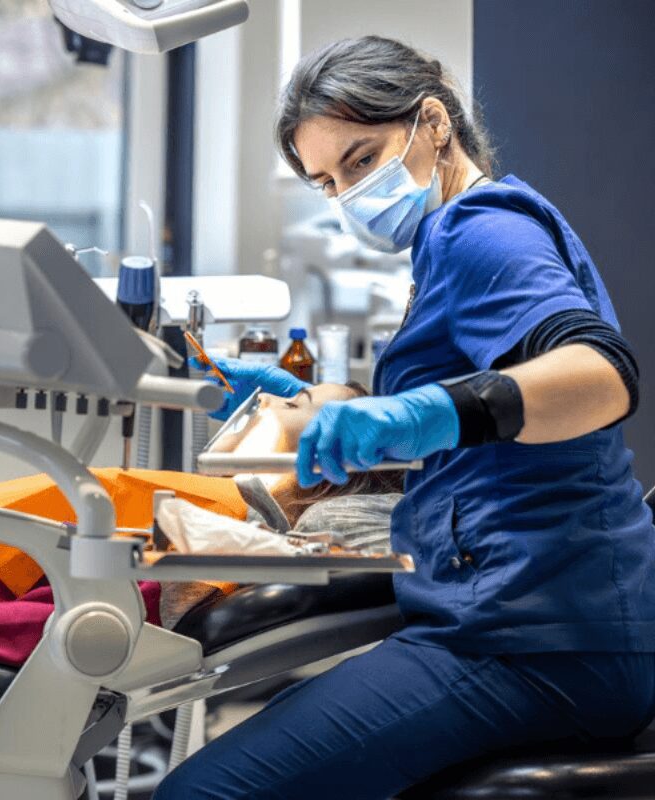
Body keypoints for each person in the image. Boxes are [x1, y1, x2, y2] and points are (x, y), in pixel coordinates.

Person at [156, 36, 655, 800]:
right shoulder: (445, 245)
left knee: (201, 794)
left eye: (360, 161)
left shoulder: (478, 228)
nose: (349, 194)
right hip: (518, 623)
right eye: (326, 181)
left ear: (432, 122)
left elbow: (600, 377)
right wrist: (325, 403)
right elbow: (473, 431)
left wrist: (423, 413)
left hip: (535, 641)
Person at [0, 382, 399, 664]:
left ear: (333, 463)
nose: (272, 398)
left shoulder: (208, 546)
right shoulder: (217, 514)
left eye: (299, 400)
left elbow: (27, 628)